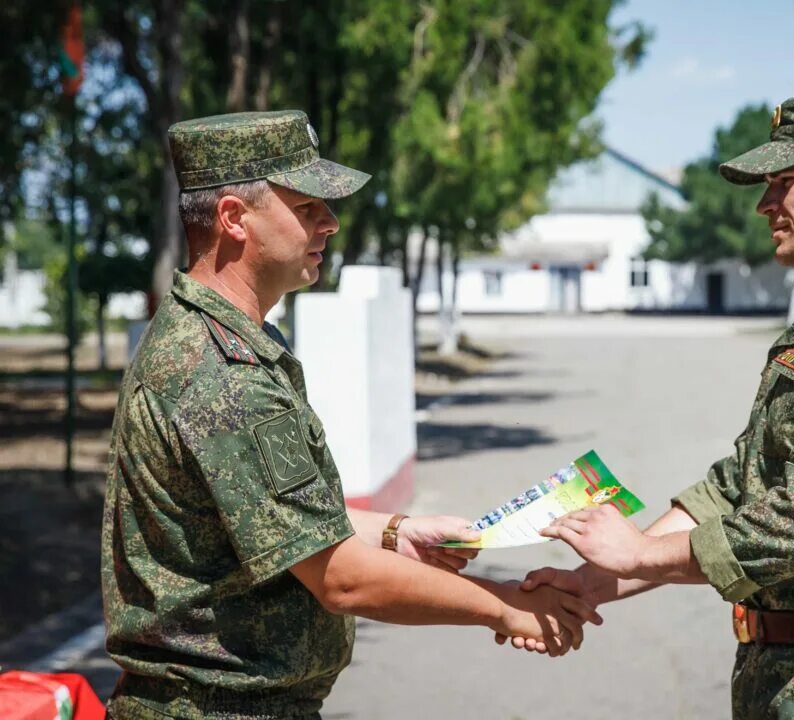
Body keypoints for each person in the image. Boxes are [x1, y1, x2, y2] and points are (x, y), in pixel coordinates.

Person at [101, 110, 599, 720]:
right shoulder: (219, 374)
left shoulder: (220, 342)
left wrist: (392, 531)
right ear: (234, 218)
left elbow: (277, 520)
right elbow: (343, 580)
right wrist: (504, 604)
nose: (330, 223)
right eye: (307, 206)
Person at [506, 91, 794, 719]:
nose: (764, 205)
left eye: (784, 181)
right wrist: (594, 582)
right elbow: (737, 489)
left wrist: (641, 553)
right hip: (792, 675)